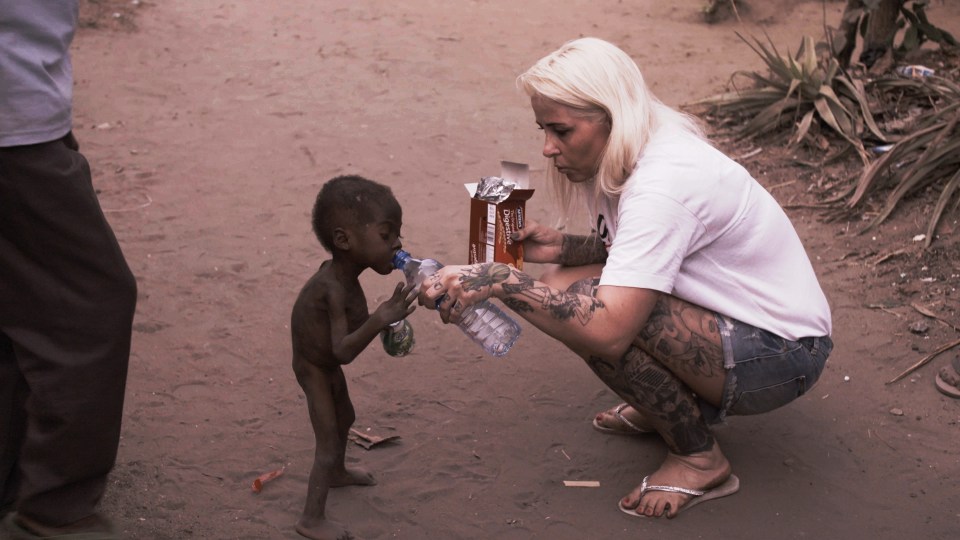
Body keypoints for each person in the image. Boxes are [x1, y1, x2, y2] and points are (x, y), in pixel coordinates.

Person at [418, 37, 833, 519]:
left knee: (583, 305)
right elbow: (641, 249)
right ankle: (669, 403)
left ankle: (699, 458)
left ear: (611, 118)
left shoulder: (663, 184)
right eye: (543, 129)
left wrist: (500, 280)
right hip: (739, 320)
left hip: (784, 353)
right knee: (562, 276)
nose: (547, 148)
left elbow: (611, 331)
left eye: (560, 131)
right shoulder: (636, 146)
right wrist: (560, 245)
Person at [0, 2, 139, 538]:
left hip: (22, 106)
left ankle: (13, 490)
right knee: (88, 308)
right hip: (13, 125)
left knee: (19, 308)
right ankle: (55, 515)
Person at [291, 175, 417, 540]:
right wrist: (380, 319)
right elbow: (343, 351)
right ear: (344, 239)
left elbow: (355, 327)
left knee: (346, 415)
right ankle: (310, 520)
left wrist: (390, 326)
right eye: (386, 234)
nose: (397, 244)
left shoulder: (347, 278)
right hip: (315, 366)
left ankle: (337, 474)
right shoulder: (330, 287)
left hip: (325, 359)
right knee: (327, 441)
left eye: (397, 234)